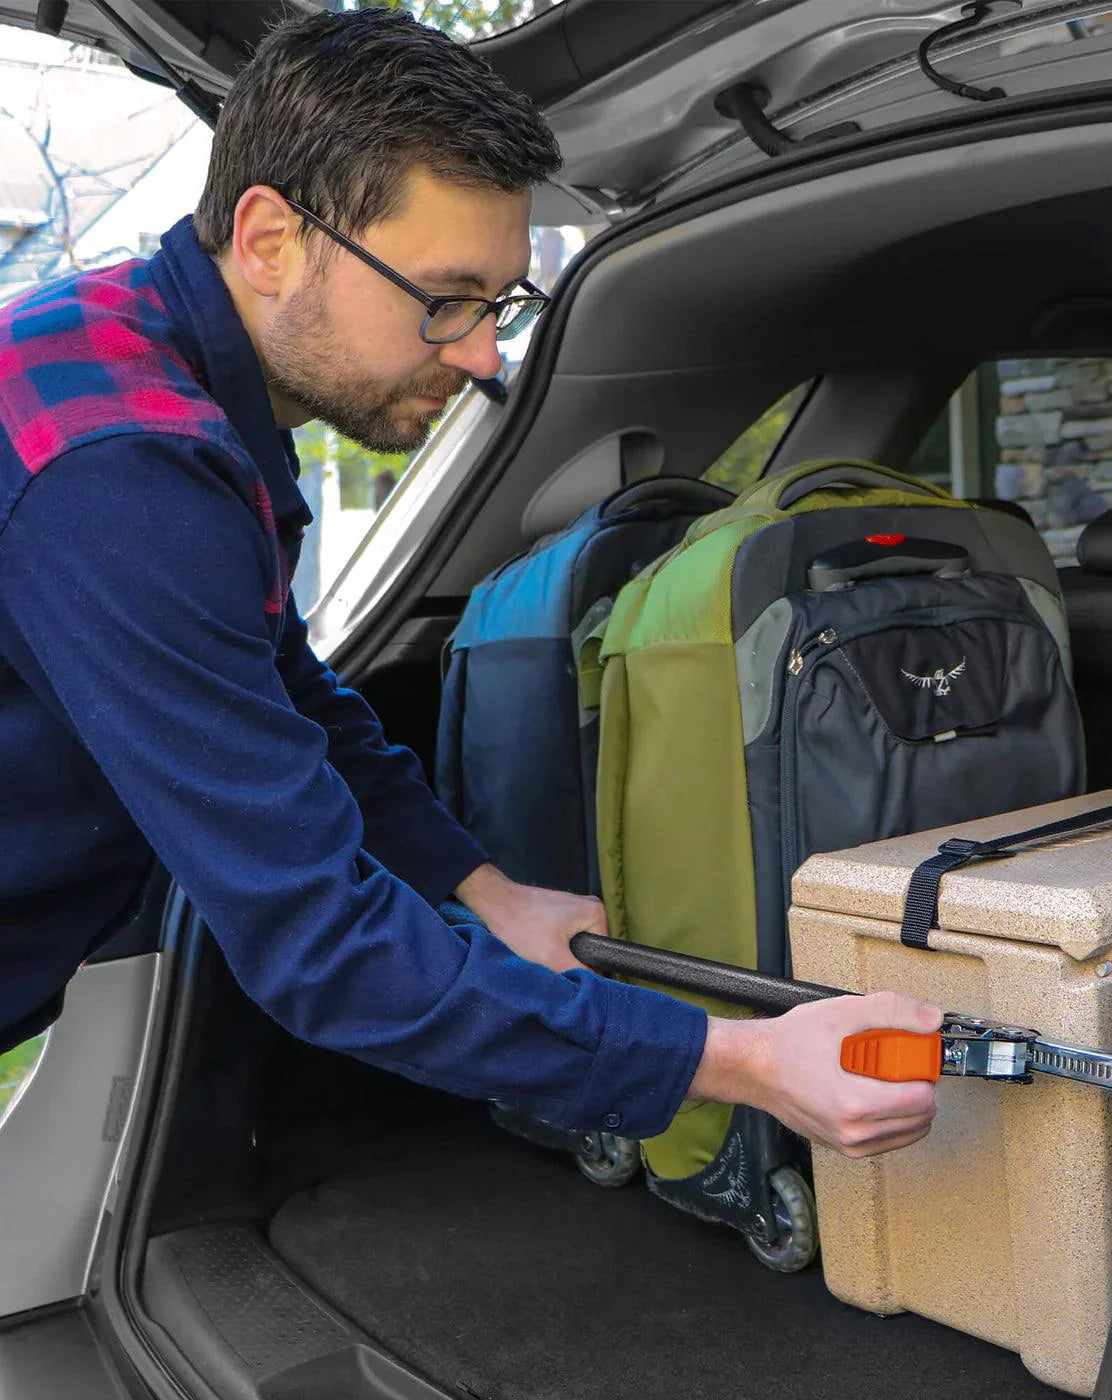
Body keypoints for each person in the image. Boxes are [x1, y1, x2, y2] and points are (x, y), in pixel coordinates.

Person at [0, 6, 940, 1159]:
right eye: (444, 298)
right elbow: (321, 947)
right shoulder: (121, 474)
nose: (483, 352)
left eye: (499, 304)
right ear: (268, 239)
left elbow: (291, 695)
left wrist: (488, 891)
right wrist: (740, 1059)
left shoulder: (146, 369)